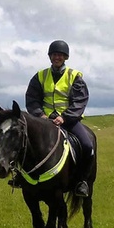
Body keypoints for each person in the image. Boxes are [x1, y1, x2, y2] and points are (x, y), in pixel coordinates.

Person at [24, 40, 95, 197]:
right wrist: (41, 116)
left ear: (65, 57)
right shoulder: (40, 76)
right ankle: (21, 177)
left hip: (69, 121)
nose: (57, 57)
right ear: (50, 56)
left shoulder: (74, 76)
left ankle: (82, 181)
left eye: (60, 55)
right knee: (23, 142)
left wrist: (64, 118)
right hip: (44, 121)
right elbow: (32, 99)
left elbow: (79, 101)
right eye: (54, 54)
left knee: (87, 146)